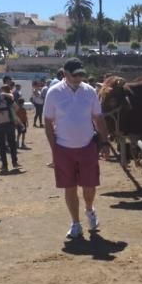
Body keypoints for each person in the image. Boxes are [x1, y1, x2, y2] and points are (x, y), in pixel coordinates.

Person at [43, 58, 111, 239]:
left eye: (82, 74)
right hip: (63, 148)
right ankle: (75, 222)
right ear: (65, 74)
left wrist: (104, 142)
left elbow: (98, 118)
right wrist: (54, 149)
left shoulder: (89, 92)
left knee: (90, 185)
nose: (79, 77)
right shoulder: (53, 93)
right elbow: (48, 122)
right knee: (69, 187)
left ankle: (89, 209)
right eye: (75, 75)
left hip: (87, 145)